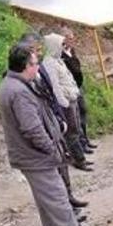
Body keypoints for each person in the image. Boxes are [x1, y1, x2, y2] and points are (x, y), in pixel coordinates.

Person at [0, 45, 103, 226]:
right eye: (35, 64)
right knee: (57, 195)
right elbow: (32, 129)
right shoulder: (18, 91)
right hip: (35, 156)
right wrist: (50, 148)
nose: (38, 68)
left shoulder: (11, 84)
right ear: (25, 66)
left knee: (45, 199)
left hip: (28, 155)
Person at [17, 33, 88, 210]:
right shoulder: (20, 83)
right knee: (55, 172)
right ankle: (66, 209)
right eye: (35, 49)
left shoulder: (41, 68)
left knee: (62, 166)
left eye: (39, 48)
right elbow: (52, 92)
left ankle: (70, 199)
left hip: (53, 122)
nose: (38, 52)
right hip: (44, 132)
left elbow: (50, 94)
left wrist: (58, 116)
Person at [42, 33, 91, 172]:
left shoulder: (58, 60)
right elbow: (55, 85)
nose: (64, 47)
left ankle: (79, 157)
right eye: (61, 44)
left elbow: (68, 78)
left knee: (76, 129)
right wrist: (63, 102)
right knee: (72, 132)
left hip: (72, 98)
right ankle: (79, 160)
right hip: (66, 102)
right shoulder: (49, 63)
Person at [60, 28, 97, 154]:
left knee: (83, 113)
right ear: (63, 39)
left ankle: (85, 140)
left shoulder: (72, 51)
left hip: (78, 86)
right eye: (69, 38)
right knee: (75, 119)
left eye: (72, 37)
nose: (72, 40)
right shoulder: (60, 55)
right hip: (70, 89)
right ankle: (81, 144)